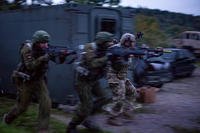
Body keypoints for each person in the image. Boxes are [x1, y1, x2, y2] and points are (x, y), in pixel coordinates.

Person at [3, 30, 66, 133]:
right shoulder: (27, 49)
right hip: (26, 80)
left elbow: (56, 59)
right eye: (43, 43)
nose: (46, 45)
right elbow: (30, 66)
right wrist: (43, 58)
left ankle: (43, 129)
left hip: (39, 80)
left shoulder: (46, 47)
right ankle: (8, 118)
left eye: (46, 43)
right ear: (36, 42)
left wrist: (62, 56)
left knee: (46, 103)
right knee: (22, 107)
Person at [66, 31, 114, 133]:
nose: (110, 45)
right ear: (102, 42)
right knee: (87, 105)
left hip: (94, 80)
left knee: (105, 97)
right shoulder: (90, 47)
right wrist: (108, 57)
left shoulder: (106, 50)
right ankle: (71, 126)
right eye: (108, 43)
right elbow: (93, 64)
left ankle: (86, 118)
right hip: (83, 81)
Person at [105, 33, 138, 126]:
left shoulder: (130, 50)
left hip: (122, 76)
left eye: (131, 42)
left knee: (132, 92)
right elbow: (117, 63)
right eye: (127, 42)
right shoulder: (115, 49)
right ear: (123, 41)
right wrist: (124, 56)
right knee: (120, 97)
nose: (129, 44)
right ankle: (112, 117)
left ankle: (126, 111)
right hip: (113, 75)